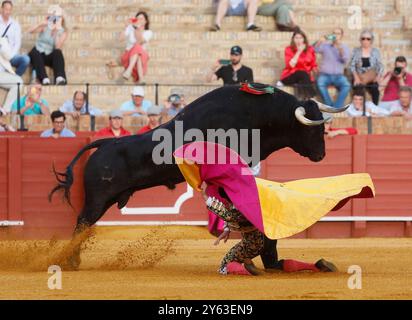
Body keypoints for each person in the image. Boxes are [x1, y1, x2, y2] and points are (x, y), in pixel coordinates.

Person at [201, 183, 337, 275]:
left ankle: (247, 270)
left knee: (224, 266)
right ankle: (315, 266)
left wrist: (206, 197)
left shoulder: (234, 209)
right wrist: (227, 229)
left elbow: (229, 215)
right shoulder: (251, 198)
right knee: (273, 266)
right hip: (269, 236)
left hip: (253, 244)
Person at [107, 11, 152, 83]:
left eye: (141, 19)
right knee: (138, 48)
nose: (139, 20)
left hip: (141, 59)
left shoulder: (148, 32)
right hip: (128, 56)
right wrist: (126, 26)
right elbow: (120, 39)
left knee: (138, 48)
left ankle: (129, 71)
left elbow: (140, 41)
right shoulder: (130, 28)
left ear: (145, 21)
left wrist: (138, 29)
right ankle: (141, 78)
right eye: (138, 18)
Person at [28, 4, 68, 85]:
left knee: (58, 53)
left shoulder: (63, 31)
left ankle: (60, 78)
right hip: (38, 53)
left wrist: (56, 31)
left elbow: (57, 47)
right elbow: (30, 31)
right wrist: (41, 23)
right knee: (35, 52)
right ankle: (44, 79)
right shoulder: (46, 26)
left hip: (50, 55)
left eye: (58, 17)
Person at [315, 28, 351, 108]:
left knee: (346, 85)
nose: (336, 35)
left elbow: (345, 60)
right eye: (334, 33)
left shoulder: (344, 47)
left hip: (339, 76)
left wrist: (339, 48)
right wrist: (320, 41)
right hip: (325, 75)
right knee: (320, 83)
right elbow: (314, 49)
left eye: (338, 33)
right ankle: (329, 106)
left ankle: (337, 107)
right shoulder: (325, 46)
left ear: (341, 36)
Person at [279, 30, 317, 99]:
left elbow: (313, 64)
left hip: (305, 78)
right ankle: (312, 97)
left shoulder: (310, 49)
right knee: (302, 73)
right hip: (289, 76)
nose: (298, 40)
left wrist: (317, 75)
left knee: (302, 80)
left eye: (300, 38)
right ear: (293, 39)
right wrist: (299, 51)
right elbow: (290, 65)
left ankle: (304, 101)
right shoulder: (288, 49)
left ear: (304, 39)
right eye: (296, 38)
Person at [349, 29, 384, 106]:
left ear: (371, 40)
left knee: (375, 89)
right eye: (363, 38)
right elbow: (352, 65)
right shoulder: (356, 51)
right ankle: (358, 109)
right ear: (360, 40)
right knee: (358, 89)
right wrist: (356, 77)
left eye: (368, 39)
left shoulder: (375, 51)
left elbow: (380, 65)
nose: (365, 40)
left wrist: (378, 76)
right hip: (359, 77)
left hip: (371, 77)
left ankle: (375, 107)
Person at [0, 0, 30, 76]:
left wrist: (10, 55)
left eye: (10, 10)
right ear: (1, 9)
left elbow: (17, 43)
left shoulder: (15, 24)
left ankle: (15, 79)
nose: (8, 12)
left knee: (26, 59)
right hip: (0, 56)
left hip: (12, 55)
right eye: (6, 9)